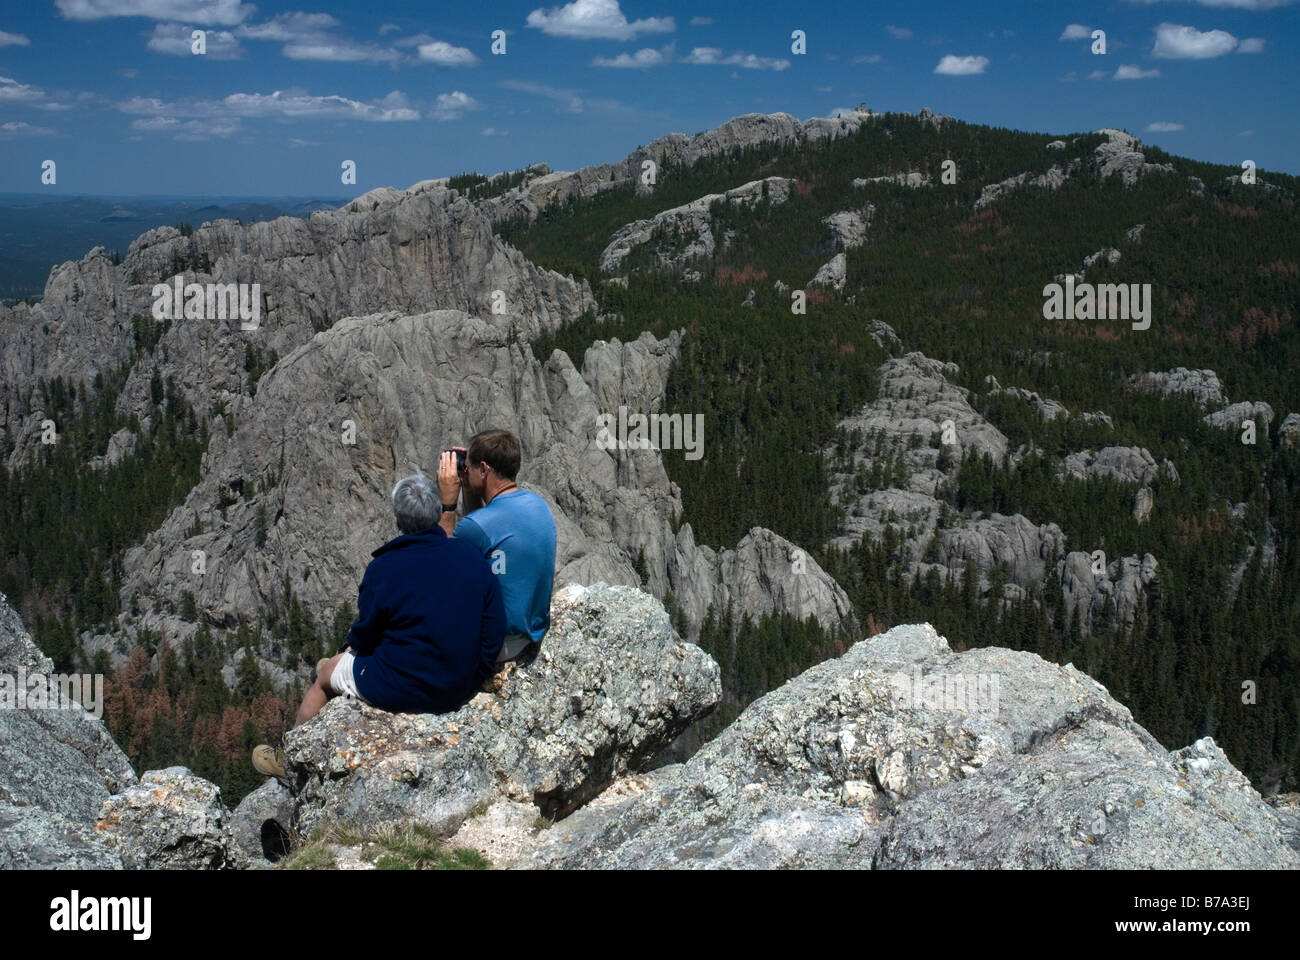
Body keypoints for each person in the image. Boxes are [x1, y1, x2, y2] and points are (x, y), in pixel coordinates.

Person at [252, 472, 505, 779]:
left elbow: (367, 633)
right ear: (440, 512)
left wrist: (350, 650)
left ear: (397, 520)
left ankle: (288, 760)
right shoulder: (472, 557)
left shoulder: (384, 567)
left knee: (325, 675)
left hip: (400, 687)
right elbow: (494, 628)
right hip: (458, 685)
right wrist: (474, 675)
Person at [437, 429, 557, 666]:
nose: (465, 470)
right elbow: (481, 541)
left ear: (483, 470)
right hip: (528, 631)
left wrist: (448, 504)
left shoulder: (478, 526)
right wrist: (471, 489)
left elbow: (440, 568)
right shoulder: (538, 504)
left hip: (497, 644)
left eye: (469, 467)